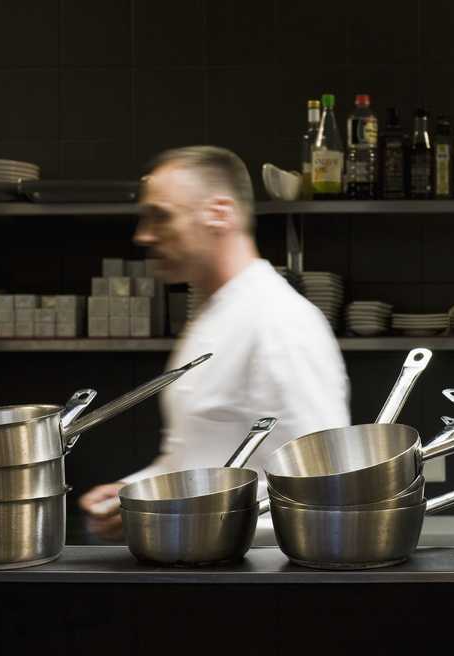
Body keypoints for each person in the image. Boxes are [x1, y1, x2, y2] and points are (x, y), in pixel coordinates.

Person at [78, 146, 350, 537]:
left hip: (260, 583)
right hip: (201, 568)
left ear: (219, 213)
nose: (144, 235)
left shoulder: (279, 322)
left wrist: (174, 518)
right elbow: (196, 455)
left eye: (161, 216)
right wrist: (136, 493)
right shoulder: (211, 315)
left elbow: (325, 491)